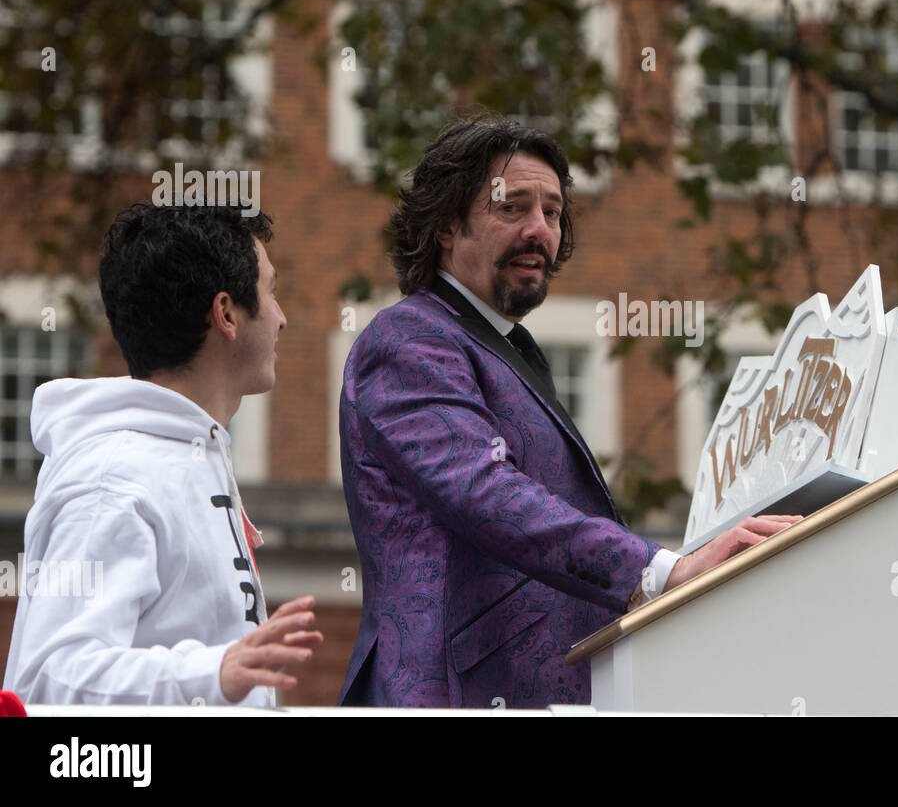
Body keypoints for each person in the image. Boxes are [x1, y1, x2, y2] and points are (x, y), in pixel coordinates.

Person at [338, 116, 797, 708]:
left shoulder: (499, 344)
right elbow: (483, 492)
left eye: (553, 213)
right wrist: (659, 571)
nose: (540, 231)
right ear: (447, 227)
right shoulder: (407, 339)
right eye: (513, 208)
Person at [3, 201, 323, 707]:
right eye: (271, 291)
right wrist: (212, 672)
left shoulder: (181, 455)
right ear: (225, 313)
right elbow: (51, 677)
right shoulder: (112, 479)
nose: (282, 319)